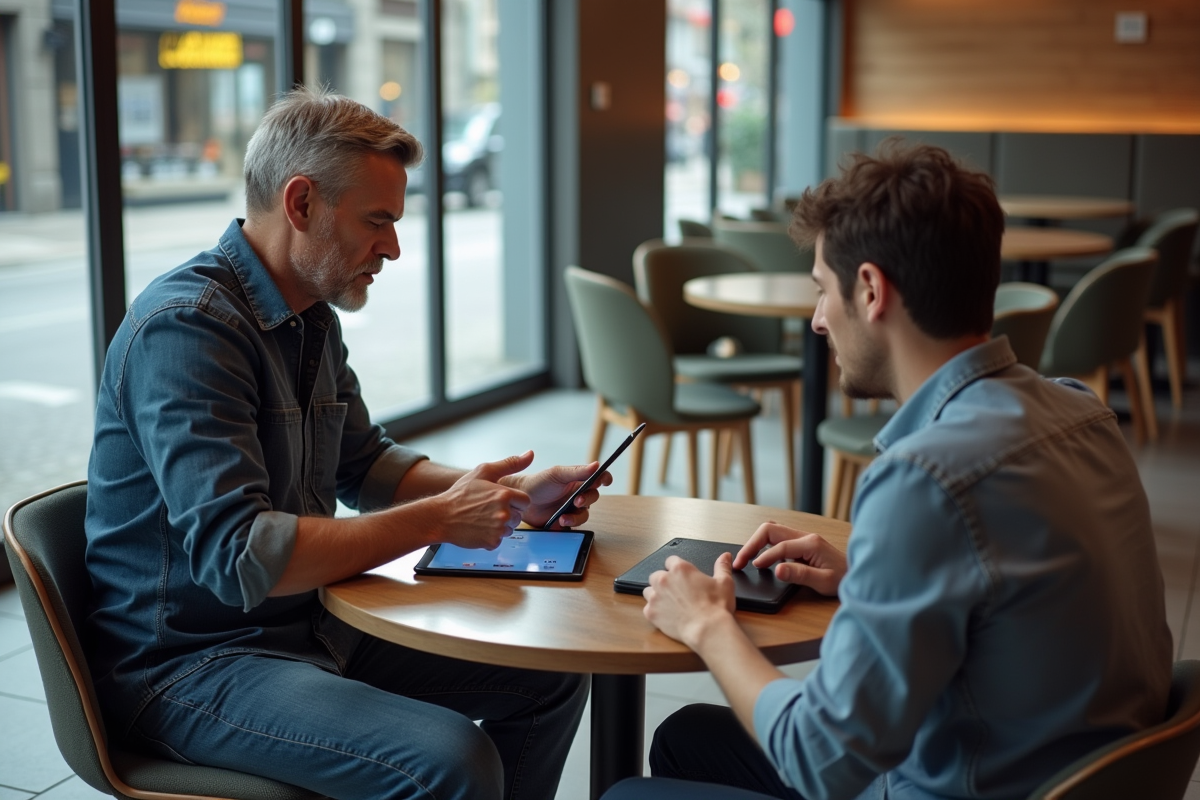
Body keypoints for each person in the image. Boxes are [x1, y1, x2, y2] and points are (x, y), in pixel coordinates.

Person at [603, 142, 1172, 800]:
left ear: (871, 290)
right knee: (687, 737)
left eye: (823, 291)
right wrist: (866, 577)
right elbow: (1014, 602)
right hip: (1071, 775)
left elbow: (821, 763)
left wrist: (708, 625)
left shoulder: (926, 478)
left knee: (626, 795)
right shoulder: (1083, 411)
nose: (818, 321)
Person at [84, 86, 604, 800]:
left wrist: (511, 500)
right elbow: (244, 558)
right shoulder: (188, 330)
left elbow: (366, 465)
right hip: (189, 666)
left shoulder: (309, 315)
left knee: (549, 671)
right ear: (301, 205)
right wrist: (438, 519)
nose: (392, 246)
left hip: (306, 625)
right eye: (378, 221)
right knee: (451, 760)